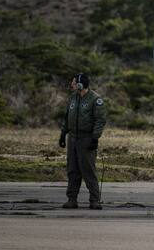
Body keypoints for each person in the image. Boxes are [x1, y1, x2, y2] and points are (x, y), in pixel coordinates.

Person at [58, 73, 107, 209]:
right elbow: (67, 117)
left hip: (87, 139)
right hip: (73, 138)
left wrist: (95, 138)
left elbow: (100, 120)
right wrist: (63, 134)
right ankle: (72, 199)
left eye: (74, 83)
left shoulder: (95, 100)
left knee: (88, 170)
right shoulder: (73, 98)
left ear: (80, 85)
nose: (71, 85)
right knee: (72, 170)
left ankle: (94, 200)